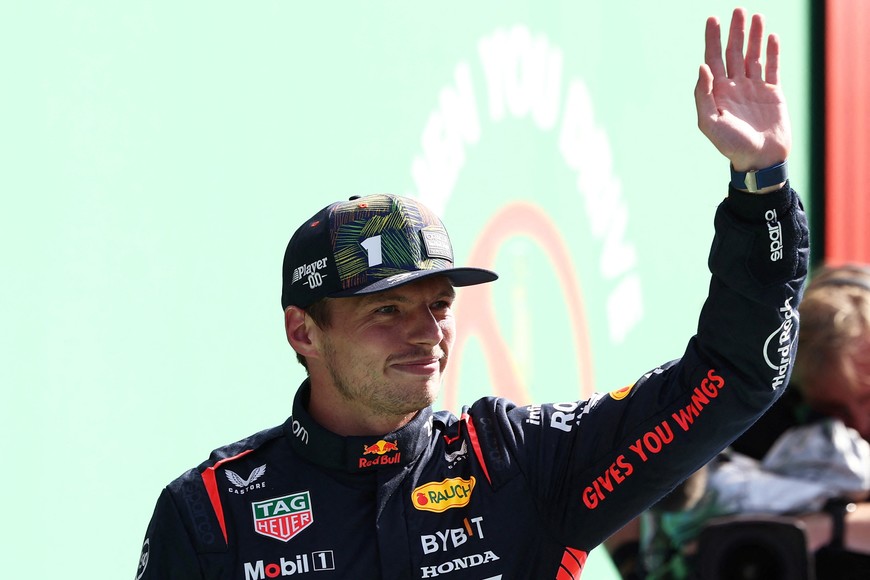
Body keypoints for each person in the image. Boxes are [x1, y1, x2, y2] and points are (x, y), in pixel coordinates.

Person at [136, 8, 808, 579]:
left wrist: (762, 191)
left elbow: (734, 375)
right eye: (386, 310)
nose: (426, 331)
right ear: (303, 332)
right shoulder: (213, 513)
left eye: (437, 305)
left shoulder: (519, 463)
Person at [607, 265, 870, 579]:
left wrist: (822, 528)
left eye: (869, 400)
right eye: (835, 410)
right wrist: (636, 567)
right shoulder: (745, 407)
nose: (860, 421)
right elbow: (618, 471)